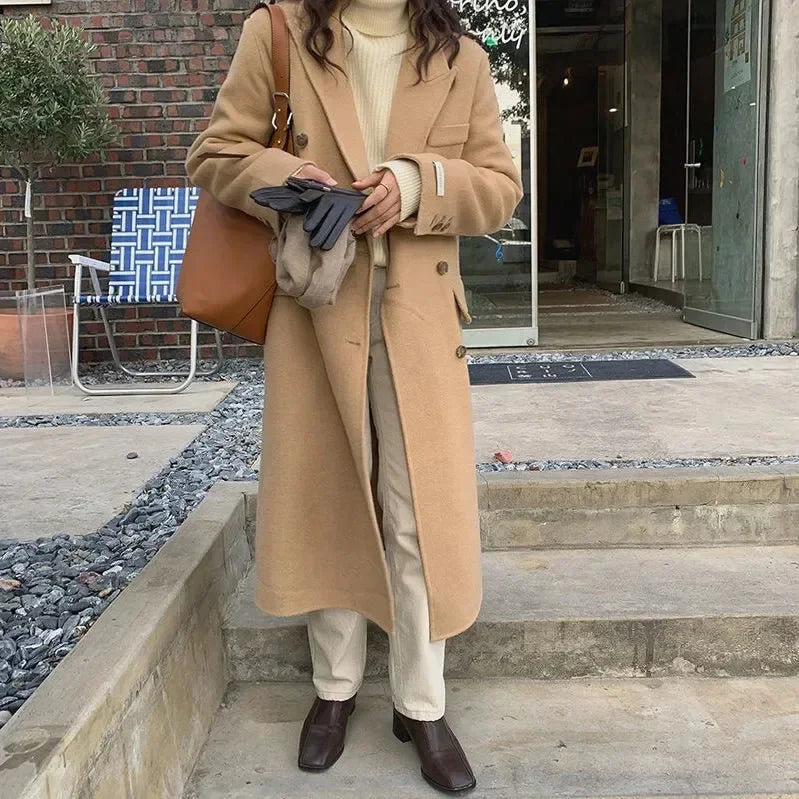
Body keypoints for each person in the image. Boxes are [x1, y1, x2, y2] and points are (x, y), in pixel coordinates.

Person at [186, 0, 522, 791]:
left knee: (415, 509)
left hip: (419, 317)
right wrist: (286, 178)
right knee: (327, 497)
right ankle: (333, 690)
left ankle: (420, 702)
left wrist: (415, 183)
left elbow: (499, 189)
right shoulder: (279, 31)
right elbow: (216, 151)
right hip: (315, 306)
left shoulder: (460, 56)